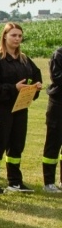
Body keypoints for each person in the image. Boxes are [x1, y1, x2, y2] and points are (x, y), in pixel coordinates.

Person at [0, 22, 42, 194]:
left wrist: (36, 86)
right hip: (1, 108)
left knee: (17, 145)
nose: (17, 39)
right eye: (13, 35)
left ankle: (15, 181)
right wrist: (12, 88)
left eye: (19, 36)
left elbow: (35, 76)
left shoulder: (24, 59)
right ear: (5, 36)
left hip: (20, 108)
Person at [42, 44, 62, 192]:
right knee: (53, 144)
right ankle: (49, 182)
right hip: (58, 106)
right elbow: (57, 77)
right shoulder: (59, 54)